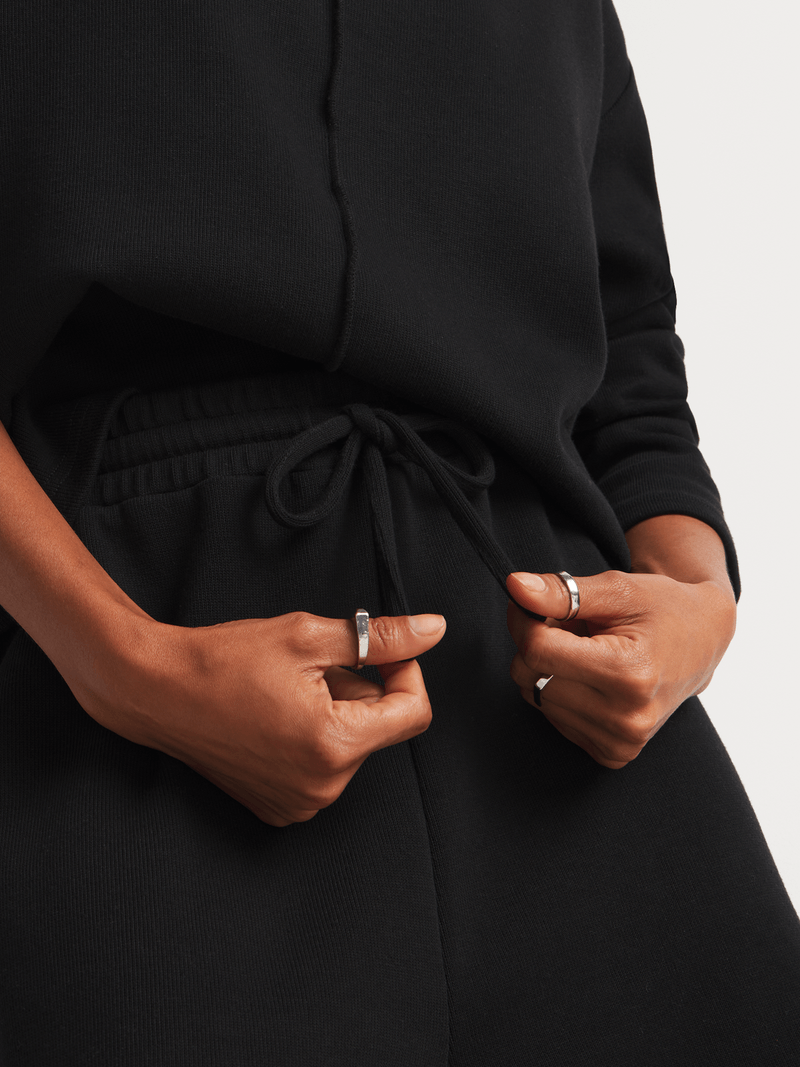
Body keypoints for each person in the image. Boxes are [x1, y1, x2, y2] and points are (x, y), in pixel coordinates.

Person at [1, 1, 799, 1063]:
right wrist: (128, 668)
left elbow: (631, 360)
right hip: (145, 688)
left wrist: (699, 601)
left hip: (564, 723)